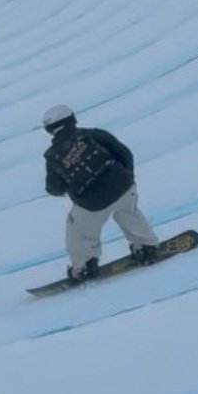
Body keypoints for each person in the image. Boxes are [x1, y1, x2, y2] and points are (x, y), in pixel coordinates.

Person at [42, 104, 160, 281]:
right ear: (72, 119)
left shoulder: (53, 156)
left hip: (92, 203)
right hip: (123, 186)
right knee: (129, 213)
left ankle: (84, 267)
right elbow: (124, 153)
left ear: (50, 130)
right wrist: (127, 176)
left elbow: (54, 188)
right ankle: (146, 248)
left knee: (79, 232)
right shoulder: (94, 135)